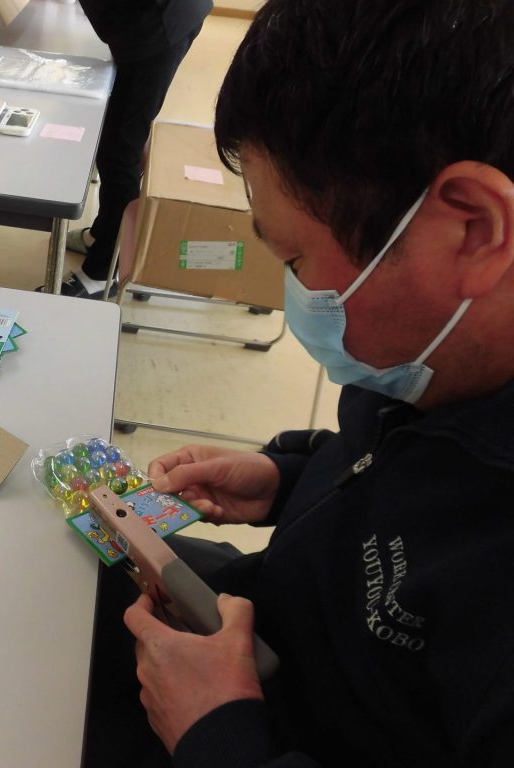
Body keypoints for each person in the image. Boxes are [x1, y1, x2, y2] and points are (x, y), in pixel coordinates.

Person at [87, 0, 514, 764]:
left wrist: (217, 735)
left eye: (294, 260)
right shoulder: (434, 355)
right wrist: (291, 478)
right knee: (59, 583)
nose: (295, 295)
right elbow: (400, 469)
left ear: (472, 229)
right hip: (276, 615)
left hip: (258, 730)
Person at [40, 0, 211, 299]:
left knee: (120, 152)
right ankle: (106, 233)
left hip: (156, 25)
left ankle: (105, 270)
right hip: (152, 19)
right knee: (116, 140)